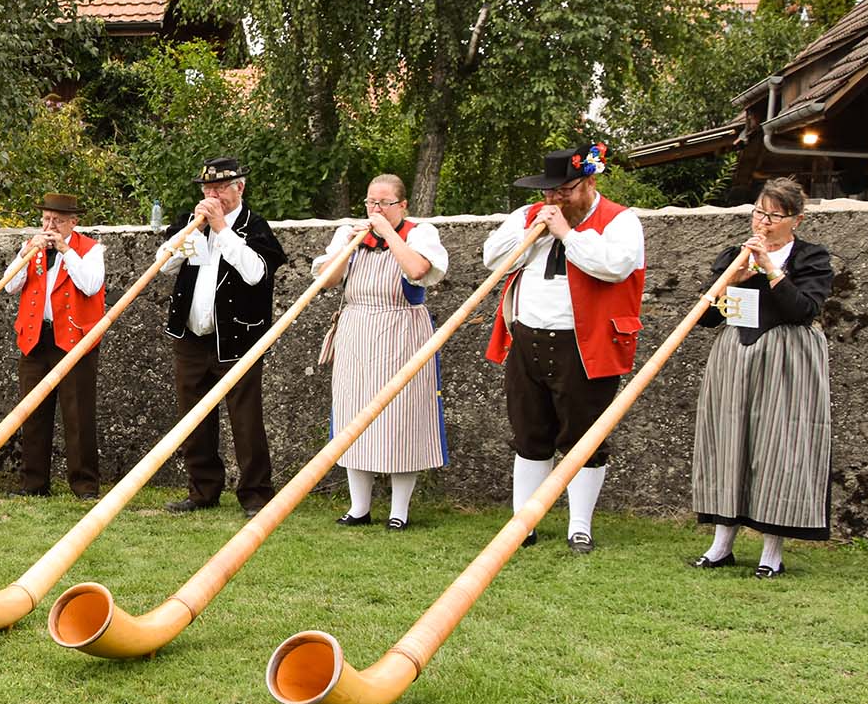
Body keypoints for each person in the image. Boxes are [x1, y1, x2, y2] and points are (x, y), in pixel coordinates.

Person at [482, 143, 645, 553]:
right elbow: (492, 259)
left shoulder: (621, 220)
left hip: (586, 345)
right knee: (529, 432)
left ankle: (579, 526)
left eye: (564, 191)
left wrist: (567, 235)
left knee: (584, 436)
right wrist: (530, 231)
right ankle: (524, 522)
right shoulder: (528, 216)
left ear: (589, 183)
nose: (555, 199)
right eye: (549, 191)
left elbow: (615, 266)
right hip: (527, 337)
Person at [689, 179, 832, 577]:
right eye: (759, 212)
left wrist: (770, 269)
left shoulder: (812, 258)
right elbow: (706, 317)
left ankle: (772, 552)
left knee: (780, 446)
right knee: (727, 441)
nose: (763, 222)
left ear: (796, 220)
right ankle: (721, 545)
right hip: (736, 352)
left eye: (774, 215)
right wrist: (731, 280)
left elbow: (804, 310)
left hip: (788, 355)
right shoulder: (734, 255)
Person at [313, 174, 450, 529]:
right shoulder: (350, 233)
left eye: (384, 203)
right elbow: (326, 280)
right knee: (352, 414)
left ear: (402, 205)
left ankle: (398, 511)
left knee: (402, 416)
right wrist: (347, 246)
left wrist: (388, 233)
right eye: (371, 202)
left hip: (402, 330)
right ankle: (359, 507)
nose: (376, 209)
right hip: (357, 330)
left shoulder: (419, 234)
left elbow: (418, 269)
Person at [158, 157, 289, 517]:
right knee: (194, 418)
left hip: (238, 338)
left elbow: (256, 273)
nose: (213, 195)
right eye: (208, 189)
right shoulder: (192, 223)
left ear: (239, 188)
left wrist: (221, 229)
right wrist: (195, 232)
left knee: (245, 420)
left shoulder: (254, 227)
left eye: (220, 188)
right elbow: (164, 264)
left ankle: (256, 495)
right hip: (191, 337)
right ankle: (202, 490)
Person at [4, 192, 106, 499]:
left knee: (78, 414)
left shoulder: (90, 249)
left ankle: (85, 485)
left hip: (74, 339)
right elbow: (9, 285)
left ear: (73, 223)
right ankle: (34, 483)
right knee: (32, 411)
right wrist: (25, 253)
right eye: (46, 219)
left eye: (58, 221)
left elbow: (91, 285)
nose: (50, 226)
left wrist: (65, 250)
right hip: (36, 337)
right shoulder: (31, 248)